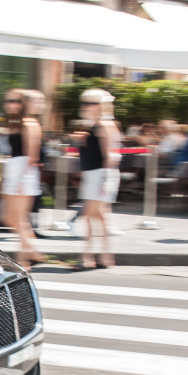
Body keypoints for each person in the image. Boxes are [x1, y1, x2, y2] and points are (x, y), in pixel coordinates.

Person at [75, 89, 120, 270]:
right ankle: (104, 257)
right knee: (100, 218)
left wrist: (105, 181)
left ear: (101, 106)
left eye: (91, 103)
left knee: (90, 217)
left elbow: (111, 155)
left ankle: (87, 258)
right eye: (85, 103)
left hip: (100, 175)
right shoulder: (96, 126)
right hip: (95, 174)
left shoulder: (104, 125)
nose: (86, 107)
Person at [1, 89, 45, 270]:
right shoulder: (17, 123)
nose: (10, 104)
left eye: (14, 101)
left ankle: (23, 260)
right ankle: (33, 252)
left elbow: (32, 156)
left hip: (23, 173)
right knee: (7, 217)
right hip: (15, 171)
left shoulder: (29, 124)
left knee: (19, 219)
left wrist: (21, 180)